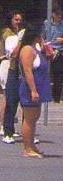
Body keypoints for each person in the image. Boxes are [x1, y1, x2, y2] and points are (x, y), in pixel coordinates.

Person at [18, 29, 53, 158]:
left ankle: (32, 145)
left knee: (35, 117)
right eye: (41, 35)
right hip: (30, 88)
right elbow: (27, 71)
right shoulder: (27, 49)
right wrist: (33, 90)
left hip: (40, 86)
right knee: (29, 118)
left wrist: (46, 49)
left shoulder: (36, 49)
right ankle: (27, 148)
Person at [0, 27, 24, 144]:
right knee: (11, 101)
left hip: (28, 74)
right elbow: (13, 55)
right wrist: (20, 42)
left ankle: (28, 133)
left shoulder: (34, 43)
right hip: (14, 71)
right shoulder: (12, 38)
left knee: (28, 106)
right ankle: (8, 131)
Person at [41, 6, 63, 103]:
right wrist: (43, 45)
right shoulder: (46, 23)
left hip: (59, 50)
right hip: (48, 49)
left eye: (61, 16)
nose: (59, 17)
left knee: (58, 75)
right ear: (53, 15)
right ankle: (43, 94)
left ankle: (56, 98)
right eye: (58, 15)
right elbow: (41, 36)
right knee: (43, 72)